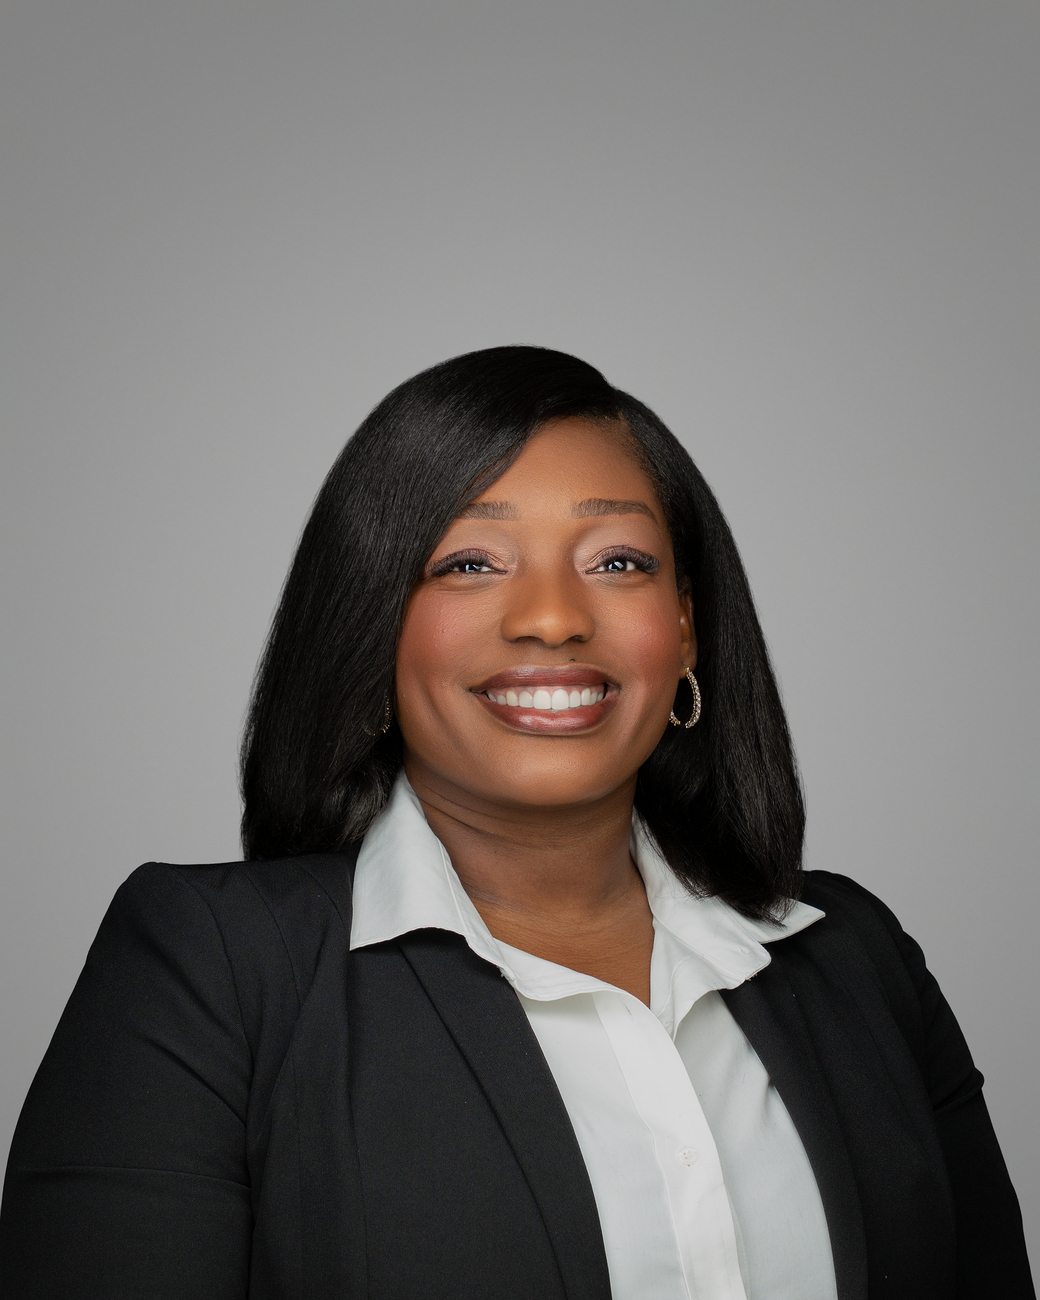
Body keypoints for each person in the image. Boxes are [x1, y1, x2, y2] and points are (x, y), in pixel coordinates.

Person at [0, 346, 1032, 1300]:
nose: (551, 618)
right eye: (470, 563)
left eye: (617, 561)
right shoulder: (212, 968)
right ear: (372, 622)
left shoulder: (856, 960)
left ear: (685, 627)